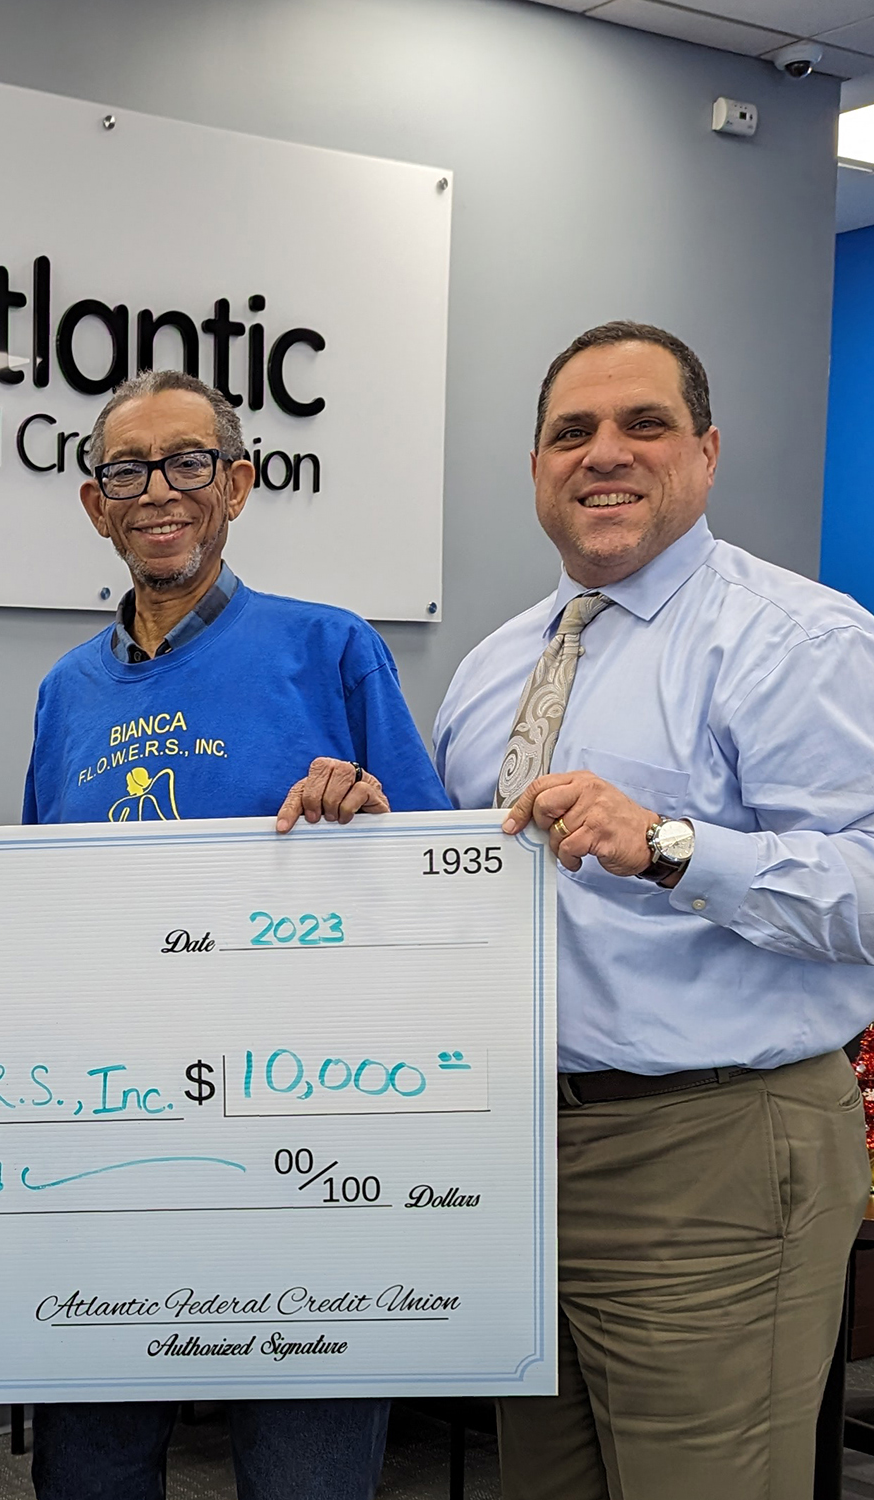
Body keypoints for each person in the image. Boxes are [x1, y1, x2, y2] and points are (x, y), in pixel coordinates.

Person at [432, 321, 874, 1500]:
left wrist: (674, 849)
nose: (602, 454)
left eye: (643, 424)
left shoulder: (793, 640)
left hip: (712, 1151)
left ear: (706, 451)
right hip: (524, 1156)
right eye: (569, 432)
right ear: (534, 468)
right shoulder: (490, 669)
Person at [21, 368, 450, 1500]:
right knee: (89, 1474)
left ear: (240, 484)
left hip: (304, 1151)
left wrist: (369, 816)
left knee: (304, 1472)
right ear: (92, 503)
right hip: (113, 1157)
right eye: (126, 469)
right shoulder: (64, 692)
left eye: (188, 462)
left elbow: (441, 886)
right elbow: (37, 918)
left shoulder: (330, 648)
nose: (157, 490)